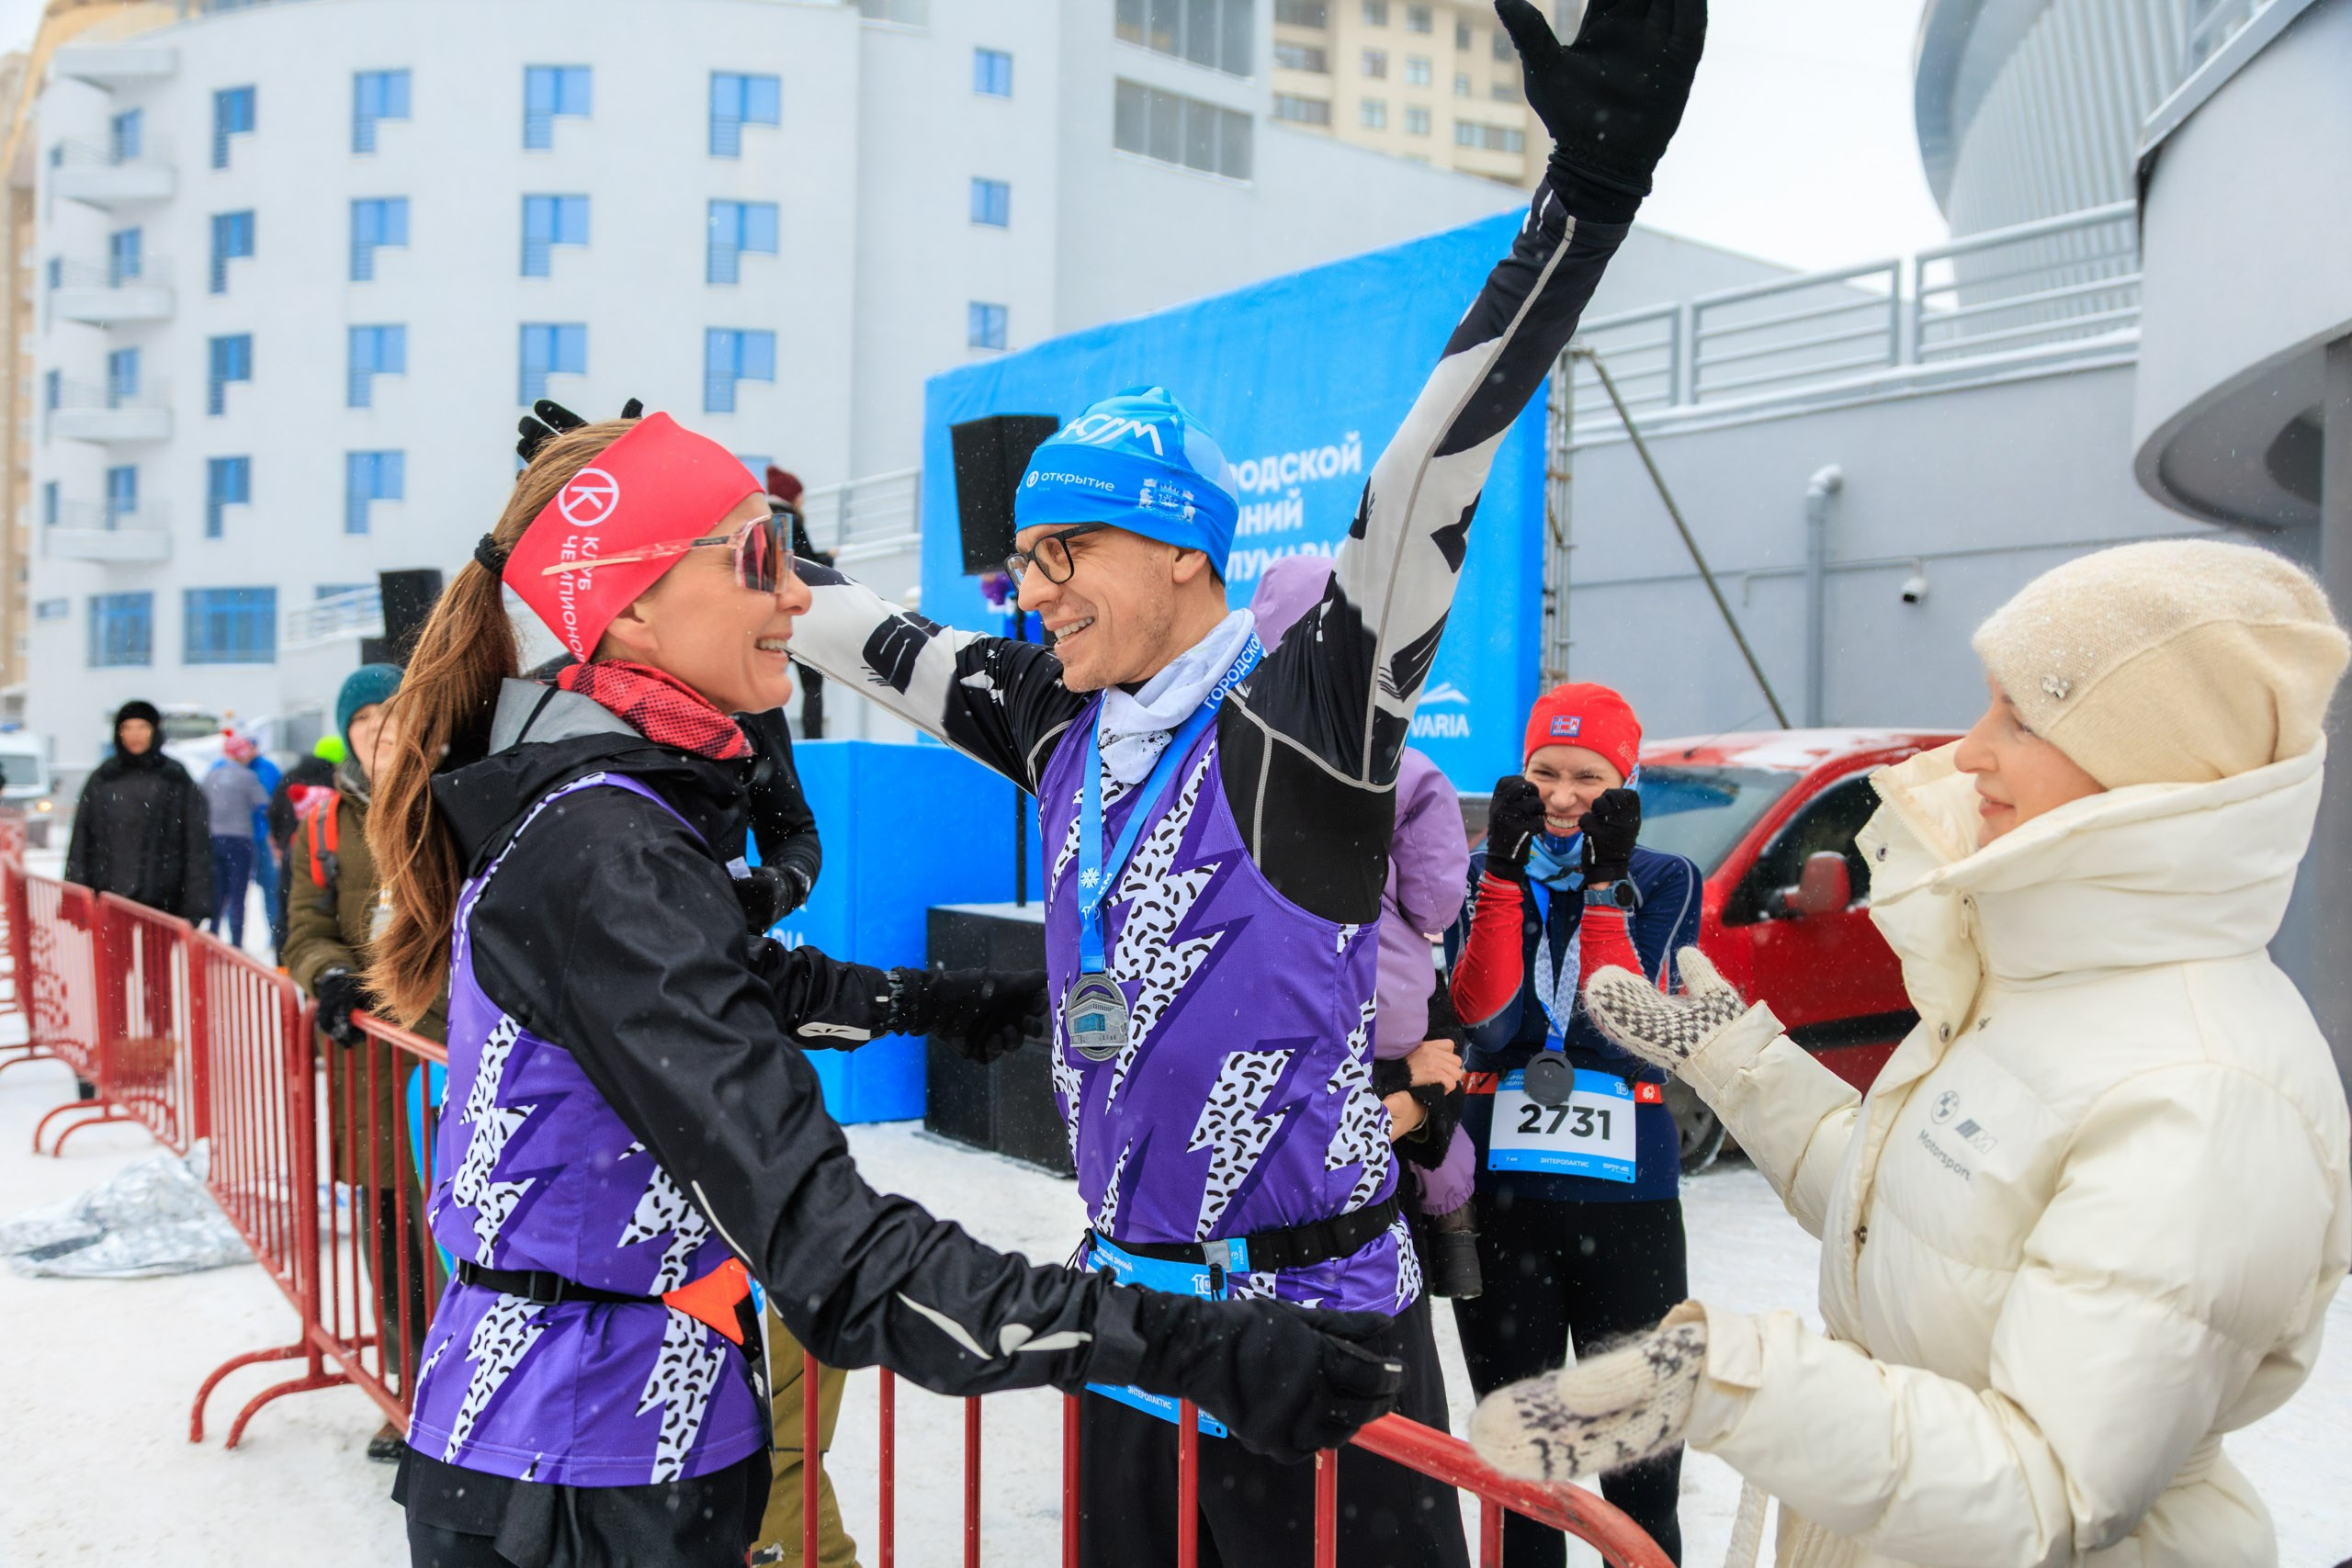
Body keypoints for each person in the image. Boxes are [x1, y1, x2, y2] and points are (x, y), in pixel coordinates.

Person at [783, 5, 1704, 1556]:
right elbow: (889, 645)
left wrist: (1584, 205)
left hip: (1321, 1348)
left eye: (1067, 552)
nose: (1037, 590)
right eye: (1025, 560)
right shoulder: (1066, 721)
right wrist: (729, 560)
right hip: (1131, 1340)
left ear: (1181, 551)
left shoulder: (1304, 726)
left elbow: (1428, 478)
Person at [368, 409, 1404, 1567]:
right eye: (760, 560)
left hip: (639, 1437)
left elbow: (729, 994)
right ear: (631, 603)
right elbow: (836, 1255)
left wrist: (938, 1006)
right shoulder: (607, 848)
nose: (798, 597)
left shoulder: (624, 815)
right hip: (569, 1465)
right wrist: (1179, 1342)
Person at [1470, 539, 2352, 1568]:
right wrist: (1737, 1063)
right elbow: (1922, 1216)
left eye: (2018, 717)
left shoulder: (2204, 1086)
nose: (1971, 750)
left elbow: (2051, 1489)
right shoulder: (2039, 984)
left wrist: (1739, 1382)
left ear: (2148, 768)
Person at [1443, 682, 1702, 1563]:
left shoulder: (1664, 876)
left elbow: (1623, 1029)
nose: (1561, 794)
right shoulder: (1484, 870)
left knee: (1640, 1476)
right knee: (1523, 1475)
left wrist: (1600, 889)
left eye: (1586, 775)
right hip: (1505, 1201)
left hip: (1627, 1204)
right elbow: (1486, 1021)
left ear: (1622, 781)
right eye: (1544, 772)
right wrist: (1507, 885)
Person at [1251, 556, 1477, 1298]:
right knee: (1422, 1147)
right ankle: (1451, 1239)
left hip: (1270, 1025)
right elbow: (1437, 902)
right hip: (1385, 1018)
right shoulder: (1406, 770)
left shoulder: (1231, 760)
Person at [282, 662, 433, 1465]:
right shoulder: (321, 827)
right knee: (390, 1229)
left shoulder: (455, 799)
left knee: (459, 1230)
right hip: (369, 1061)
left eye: (393, 713)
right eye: (365, 717)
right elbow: (304, 926)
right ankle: (407, 1388)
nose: (381, 728)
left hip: (449, 1054)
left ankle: (464, 1396)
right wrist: (329, 974)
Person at [63, 700, 211, 1094]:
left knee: (157, 988)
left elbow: (195, 842)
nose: (135, 735)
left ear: (154, 732)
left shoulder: (175, 778)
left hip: (160, 904)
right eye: (128, 728)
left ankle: (155, 1059)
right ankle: (115, 1056)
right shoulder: (103, 779)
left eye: (142, 728)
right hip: (110, 905)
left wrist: (195, 902)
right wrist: (77, 895)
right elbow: (83, 840)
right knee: (111, 987)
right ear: (118, 733)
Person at [267, 735, 344, 953]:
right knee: (322, 906)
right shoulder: (337, 779)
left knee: (288, 901)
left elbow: (274, 811)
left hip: (292, 848)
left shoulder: (290, 776)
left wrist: (283, 841)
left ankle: (283, 951)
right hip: (329, 852)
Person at [201, 731, 271, 949]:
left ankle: (212, 935)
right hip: (240, 840)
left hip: (213, 839)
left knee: (217, 891)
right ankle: (236, 944)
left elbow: (201, 804)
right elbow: (264, 802)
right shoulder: (248, 777)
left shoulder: (211, 775)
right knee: (238, 893)